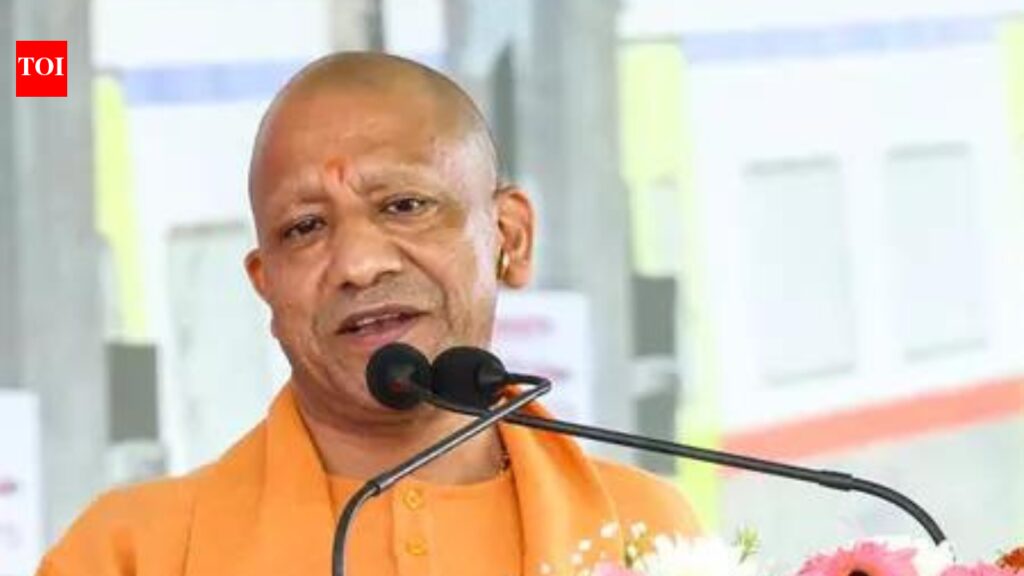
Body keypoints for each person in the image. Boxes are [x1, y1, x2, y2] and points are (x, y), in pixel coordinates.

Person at [37, 52, 698, 576]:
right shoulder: (129, 555)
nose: (358, 263)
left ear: (510, 236)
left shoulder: (653, 536)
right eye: (304, 227)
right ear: (267, 287)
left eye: (404, 206)